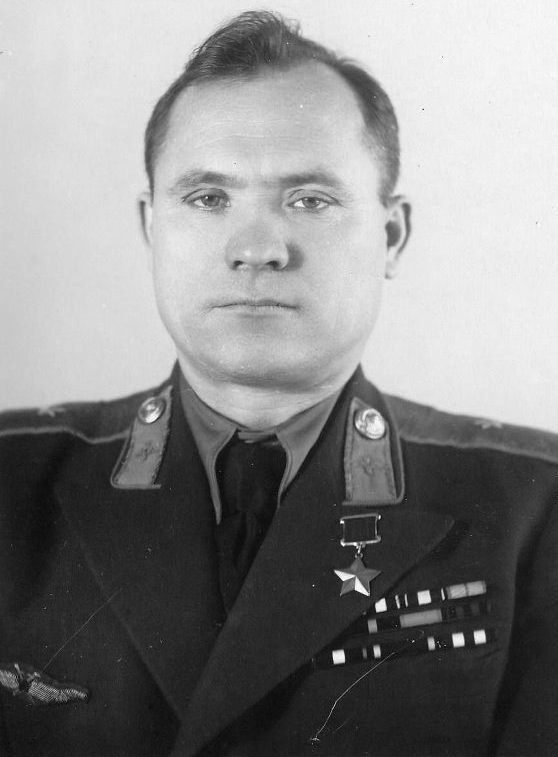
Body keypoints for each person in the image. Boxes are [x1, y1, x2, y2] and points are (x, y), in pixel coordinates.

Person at [1, 10, 557, 757]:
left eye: (310, 199)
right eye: (208, 197)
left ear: (391, 236)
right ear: (151, 227)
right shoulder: (11, 479)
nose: (258, 248)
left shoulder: (534, 508)